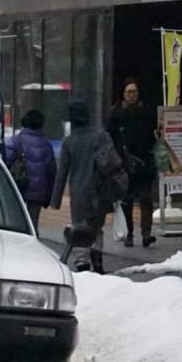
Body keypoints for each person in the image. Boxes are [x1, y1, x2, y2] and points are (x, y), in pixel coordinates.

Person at [51, 100, 116, 273]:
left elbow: (62, 172)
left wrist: (56, 199)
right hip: (101, 190)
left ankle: (82, 262)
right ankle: (98, 260)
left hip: (79, 192)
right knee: (97, 228)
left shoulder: (69, 142)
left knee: (79, 227)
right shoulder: (102, 136)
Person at [108, 78, 160, 247]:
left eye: (134, 92)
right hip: (124, 161)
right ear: (123, 94)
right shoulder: (115, 113)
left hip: (144, 160)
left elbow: (154, 135)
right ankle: (129, 233)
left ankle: (146, 233)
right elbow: (110, 137)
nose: (131, 95)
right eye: (128, 92)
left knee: (146, 198)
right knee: (127, 199)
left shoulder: (147, 112)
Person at [4, 108, 57, 225]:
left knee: (15, 223)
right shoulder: (47, 145)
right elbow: (51, 173)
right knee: (33, 224)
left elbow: (5, 164)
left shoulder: (14, 141)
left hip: (16, 188)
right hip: (38, 193)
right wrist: (48, 197)